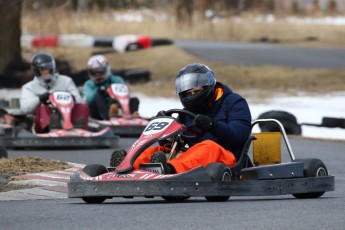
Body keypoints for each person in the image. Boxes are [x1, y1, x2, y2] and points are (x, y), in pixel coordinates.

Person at [114, 63, 252, 174]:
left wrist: (212, 125)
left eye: (196, 91)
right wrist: (165, 130)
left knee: (208, 146)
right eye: (188, 93)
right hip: (193, 158)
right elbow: (175, 143)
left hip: (227, 157)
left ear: (208, 87)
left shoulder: (233, 102)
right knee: (159, 152)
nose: (192, 95)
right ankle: (126, 167)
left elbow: (240, 135)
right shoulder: (187, 113)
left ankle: (169, 170)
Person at [20, 52, 89, 133]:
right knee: (44, 107)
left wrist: (71, 98)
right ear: (36, 71)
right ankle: (51, 128)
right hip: (41, 123)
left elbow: (79, 100)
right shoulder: (29, 87)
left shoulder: (66, 81)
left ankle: (78, 129)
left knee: (82, 107)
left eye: (47, 69)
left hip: (67, 115)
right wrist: (39, 99)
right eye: (42, 69)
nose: (45, 72)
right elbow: (25, 109)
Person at [83, 55, 140, 120]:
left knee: (135, 100)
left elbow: (125, 93)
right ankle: (107, 119)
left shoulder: (116, 80)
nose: (97, 75)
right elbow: (88, 100)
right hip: (97, 112)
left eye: (100, 71)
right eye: (94, 72)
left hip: (117, 106)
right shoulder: (89, 84)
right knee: (98, 96)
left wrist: (111, 92)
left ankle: (131, 115)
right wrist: (98, 90)